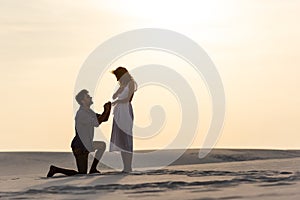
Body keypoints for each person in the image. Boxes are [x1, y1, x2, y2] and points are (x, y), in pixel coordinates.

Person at [47, 89, 111, 177]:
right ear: (82, 101)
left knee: (102, 145)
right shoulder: (81, 114)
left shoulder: (89, 112)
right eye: (88, 97)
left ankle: (93, 169)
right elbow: (97, 123)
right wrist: (106, 110)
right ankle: (56, 169)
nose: (90, 97)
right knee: (81, 173)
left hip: (86, 144)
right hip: (79, 146)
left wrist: (108, 110)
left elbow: (104, 118)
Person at [110, 67, 137, 173]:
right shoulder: (122, 85)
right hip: (119, 112)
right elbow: (114, 96)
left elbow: (129, 99)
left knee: (127, 137)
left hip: (126, 110)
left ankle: (128, 166)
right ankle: (125, 166)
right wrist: (119, 91)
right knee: (121, 138)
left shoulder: (131, 83)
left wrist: (118, 102)